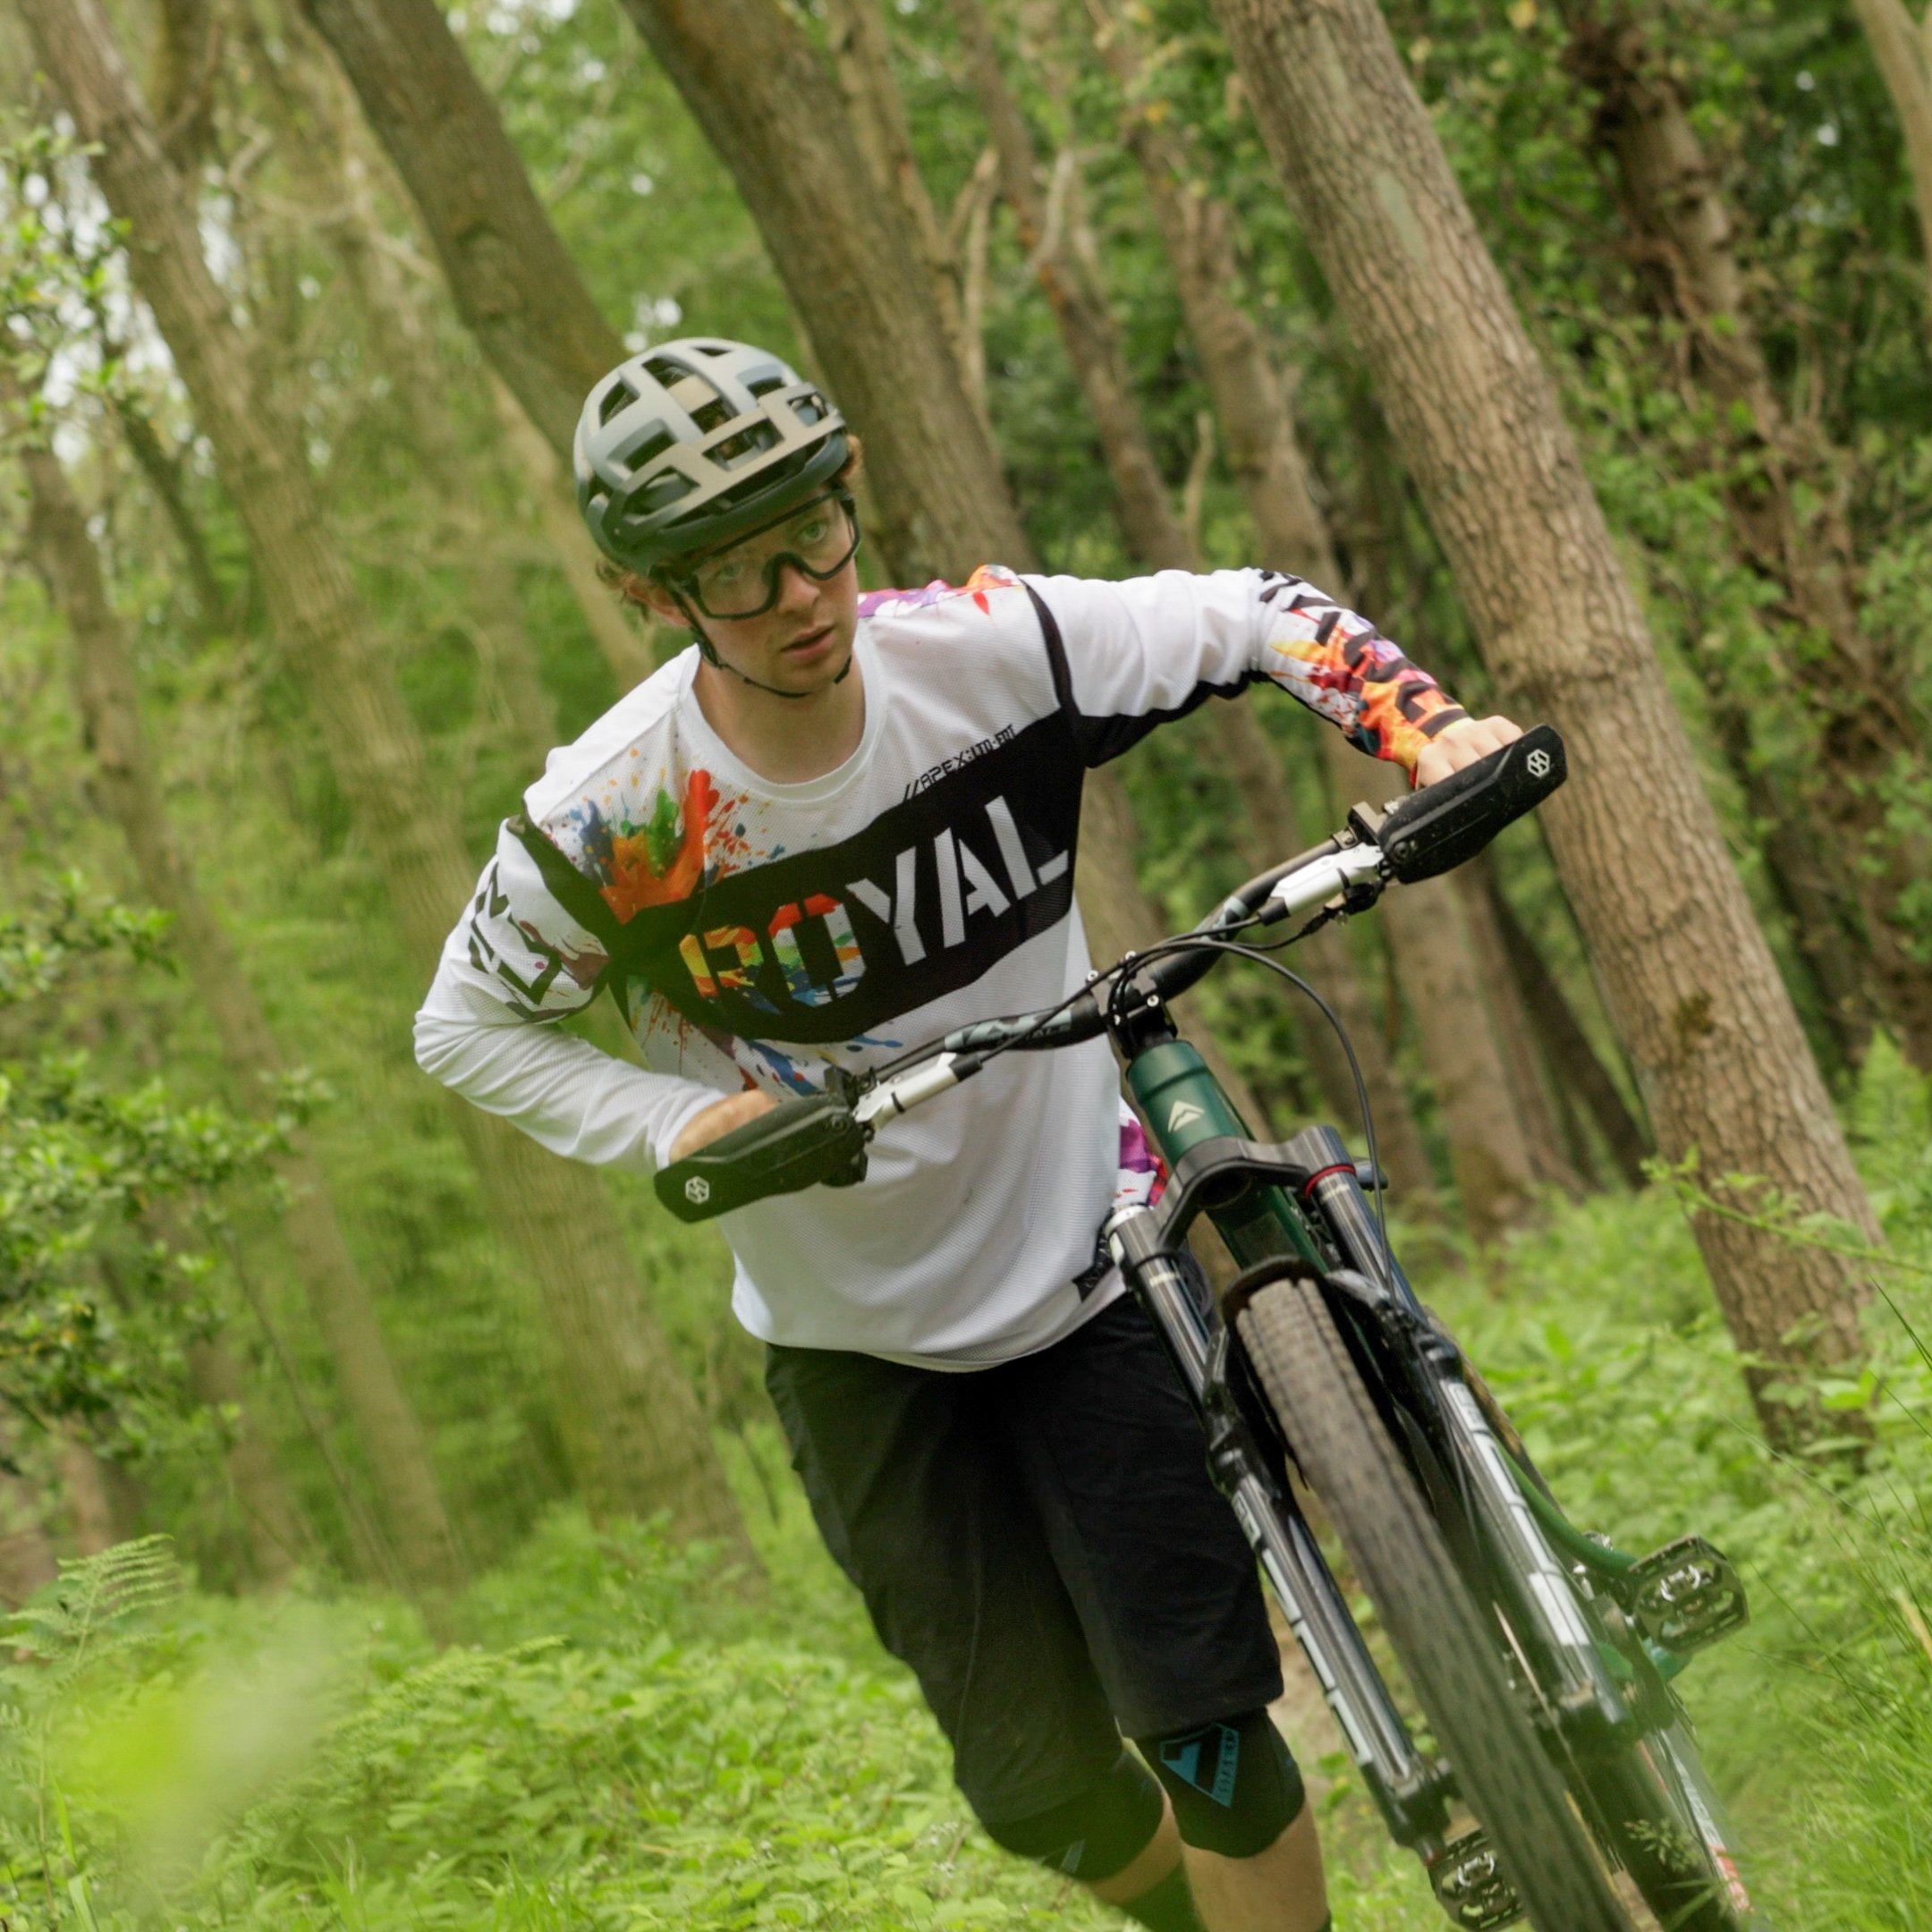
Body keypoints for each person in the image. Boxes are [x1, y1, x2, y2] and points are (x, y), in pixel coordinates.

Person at [415, 336, 1521, 1932]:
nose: (801, 593)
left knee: (1210, 1734)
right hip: (850, 1342)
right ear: (653, 596)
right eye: (736, 573)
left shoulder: (994, 649)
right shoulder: (615, 816)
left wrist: (1426, 727)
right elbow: (462, 1024)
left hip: (1088, 1269)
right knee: (1045, 1802)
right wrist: (674, 1119)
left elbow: (1260, 612)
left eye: (815, 529)